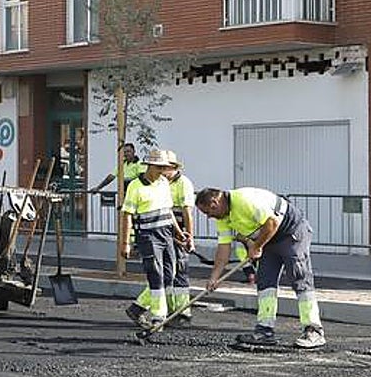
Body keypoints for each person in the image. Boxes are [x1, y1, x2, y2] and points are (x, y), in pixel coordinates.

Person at [195, 187, 326, 350]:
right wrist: (214, 277)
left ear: (214, 203)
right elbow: (224, 249)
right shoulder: (223, 217)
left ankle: (313, 330)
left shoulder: (244, 200)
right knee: (265, 281)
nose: (208, 217)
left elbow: (272, 222)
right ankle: (265, 330)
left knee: (299, 277)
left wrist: (256, 247)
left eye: (207, 212)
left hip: (291, 232)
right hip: (268, 239)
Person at [120, 149, 188, 331]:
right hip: (148, 235)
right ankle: (159, 316)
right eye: (160, 167)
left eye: (164, 167)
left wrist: (179, 231)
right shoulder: (135, 186)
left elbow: (168, 210)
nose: (163, 171)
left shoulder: (164, 183)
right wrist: (125, 243)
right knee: (155, 274)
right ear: (150, 166)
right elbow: (127, 215)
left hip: (166, 232)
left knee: (169, 273)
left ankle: (137, 308)